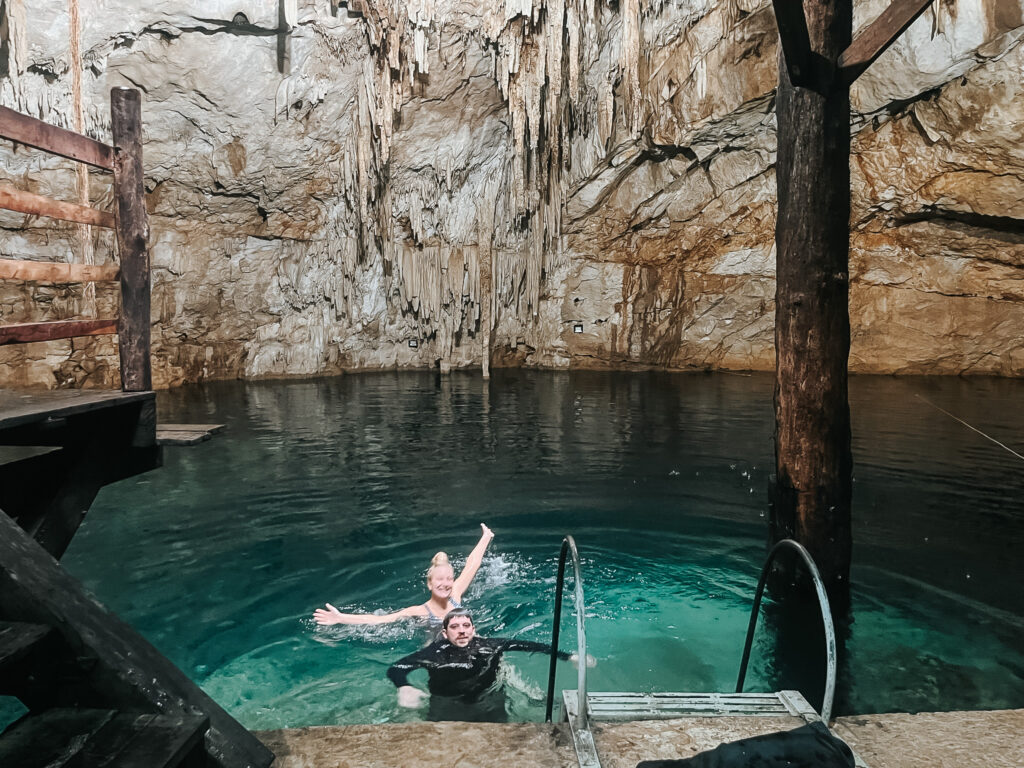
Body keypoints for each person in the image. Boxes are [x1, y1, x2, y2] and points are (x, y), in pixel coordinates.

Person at [386, 607, 592, 722]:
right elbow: (396, 668)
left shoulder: (490, 645)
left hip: (490, 697)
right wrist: (403, 686)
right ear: (444, 633)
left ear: (473, 630)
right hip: (448, 702)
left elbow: (528, 645)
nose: (461, 631)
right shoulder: (434, 653)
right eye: (455, 627)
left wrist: (568, 657)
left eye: (466, 626)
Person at [313, 524, 494, 627]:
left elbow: (472, 564)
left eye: (449, 579)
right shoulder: (419, 611)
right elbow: (379, 620)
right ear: (429, 584)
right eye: (440, 579)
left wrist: (486, 537)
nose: (445, 584)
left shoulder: (455, 595)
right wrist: (341, 618)